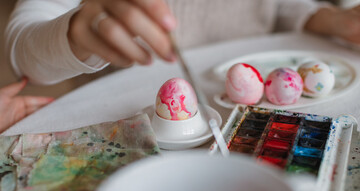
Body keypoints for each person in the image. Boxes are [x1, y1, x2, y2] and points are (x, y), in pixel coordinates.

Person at [5, 0, 360, 85]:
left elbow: (276, 5)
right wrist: (81, 29)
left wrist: (327, 18)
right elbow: (24, 51)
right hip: (138, 111)